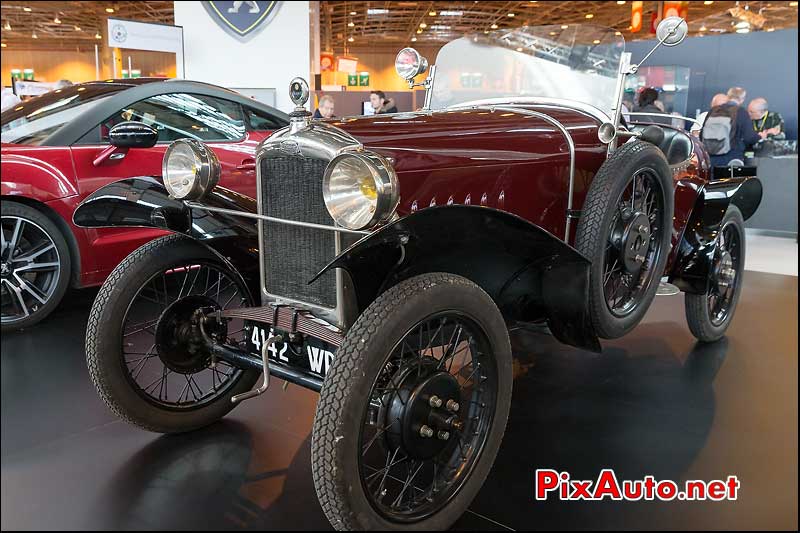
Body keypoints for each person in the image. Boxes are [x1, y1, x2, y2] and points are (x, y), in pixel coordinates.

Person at [701, 87, 759, 167]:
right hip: (732, 159)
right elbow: (749, 137)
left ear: (728, 96)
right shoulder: (741, 112)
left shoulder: (714, 110)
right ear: (742, 99)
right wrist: (760, 137)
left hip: (711, 158)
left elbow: (702, 134)